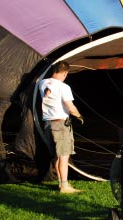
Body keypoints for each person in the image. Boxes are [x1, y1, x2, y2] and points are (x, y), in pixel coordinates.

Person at [39, 61, 84, 194]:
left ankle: (61, 183)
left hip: (47, 124)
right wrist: (79, 116)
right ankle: (64, 187)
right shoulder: (63, 87)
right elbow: (69, 106)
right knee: (64, 157)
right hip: (60, 124)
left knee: (57, 157)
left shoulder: (43, 83)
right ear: (65, 73)